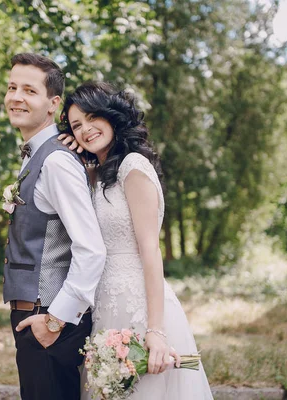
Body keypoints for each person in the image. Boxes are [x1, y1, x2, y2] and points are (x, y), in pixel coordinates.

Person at [59, 82, 214, 399]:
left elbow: (150, 251)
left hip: (140, 305)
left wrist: (155, 331)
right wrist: (67, 149)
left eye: (92, 118)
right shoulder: (101, 173)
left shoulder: (133, 167)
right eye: (76, 126)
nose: (86, 129)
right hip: (105, 305)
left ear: (111, 115)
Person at [2, 54, 106, 400]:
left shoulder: (57, 161)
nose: (16, 97)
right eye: (12, 87)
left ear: (53, 104)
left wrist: (54, 321)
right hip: (36, 316)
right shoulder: (39, 154)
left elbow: (91, 248)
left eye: (29, 90)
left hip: (47, 318)